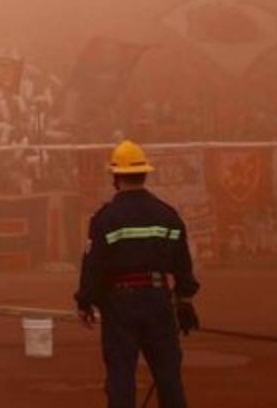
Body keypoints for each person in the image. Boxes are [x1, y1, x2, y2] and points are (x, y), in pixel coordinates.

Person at [75, 140, 201, 408]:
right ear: (144, 173)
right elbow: (182, 262)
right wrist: (185, 300)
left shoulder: (105, 218)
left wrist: (85, 301)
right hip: (158, 300)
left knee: (121, 376)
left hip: (120, 304)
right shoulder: (167, 215)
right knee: (169, 377)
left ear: (116, 177)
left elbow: (94, 264)